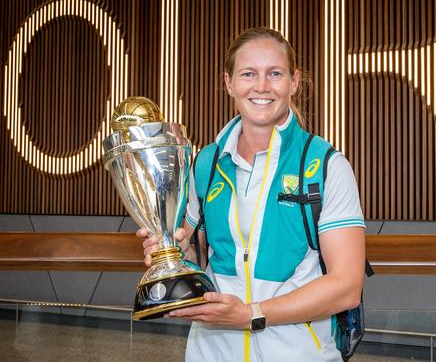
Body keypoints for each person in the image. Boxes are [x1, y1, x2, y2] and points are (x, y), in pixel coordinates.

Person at [138, 27, 366, 362]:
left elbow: (346, 287)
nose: (261, 86)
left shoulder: (324, 164)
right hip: (212, 352)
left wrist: (251, 314)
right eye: (248, 74)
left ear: (294, 81)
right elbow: (198, 260)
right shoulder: (206, 163)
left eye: (275, 73)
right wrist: (172, 252)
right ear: (229, 82)